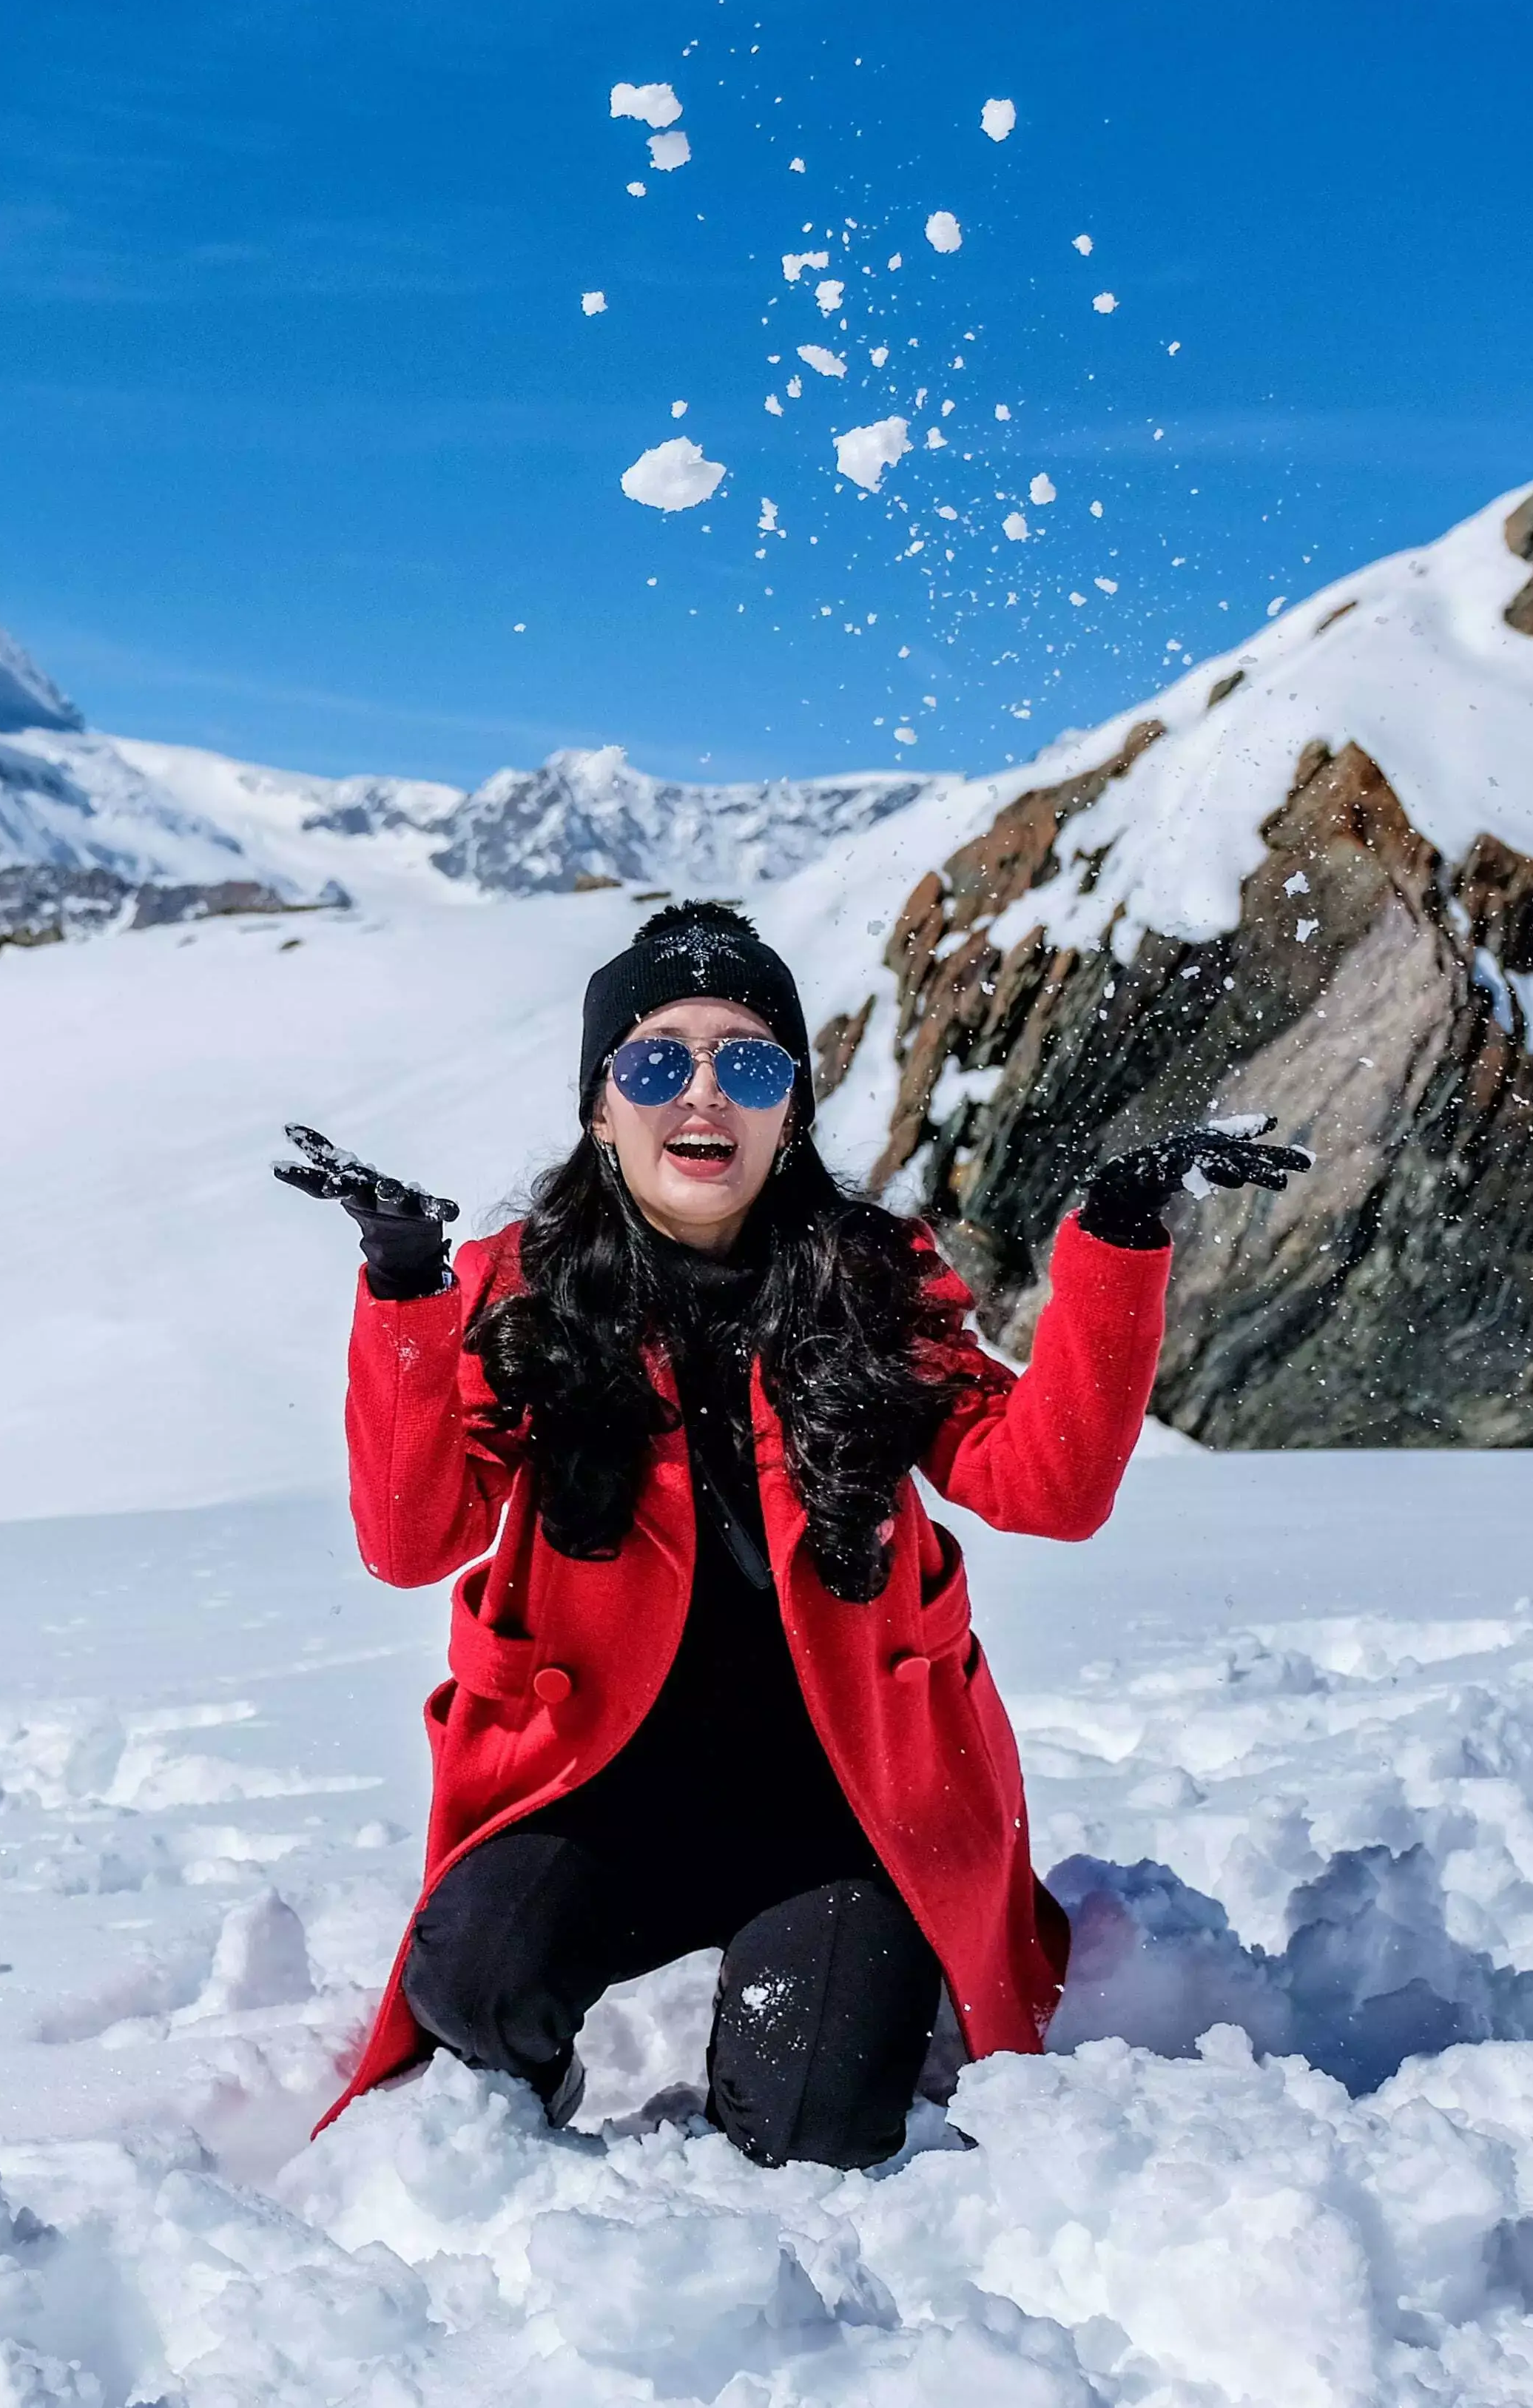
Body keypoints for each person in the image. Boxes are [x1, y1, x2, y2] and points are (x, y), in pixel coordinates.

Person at [275, 898, 1305, 2168]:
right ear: (599, 1106)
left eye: (748, 1062)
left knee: (816, 2120)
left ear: (792, 1109)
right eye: (656, 1060)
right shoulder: (518, 1286)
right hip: (596, 1794)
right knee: (478, 1989)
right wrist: (403, 1290)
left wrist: (1119, 1235)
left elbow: (1044, 1485)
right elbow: (411, 1536)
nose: (701, 1093)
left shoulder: (873, 1279)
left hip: (838, 1805)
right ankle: (496, 2156)